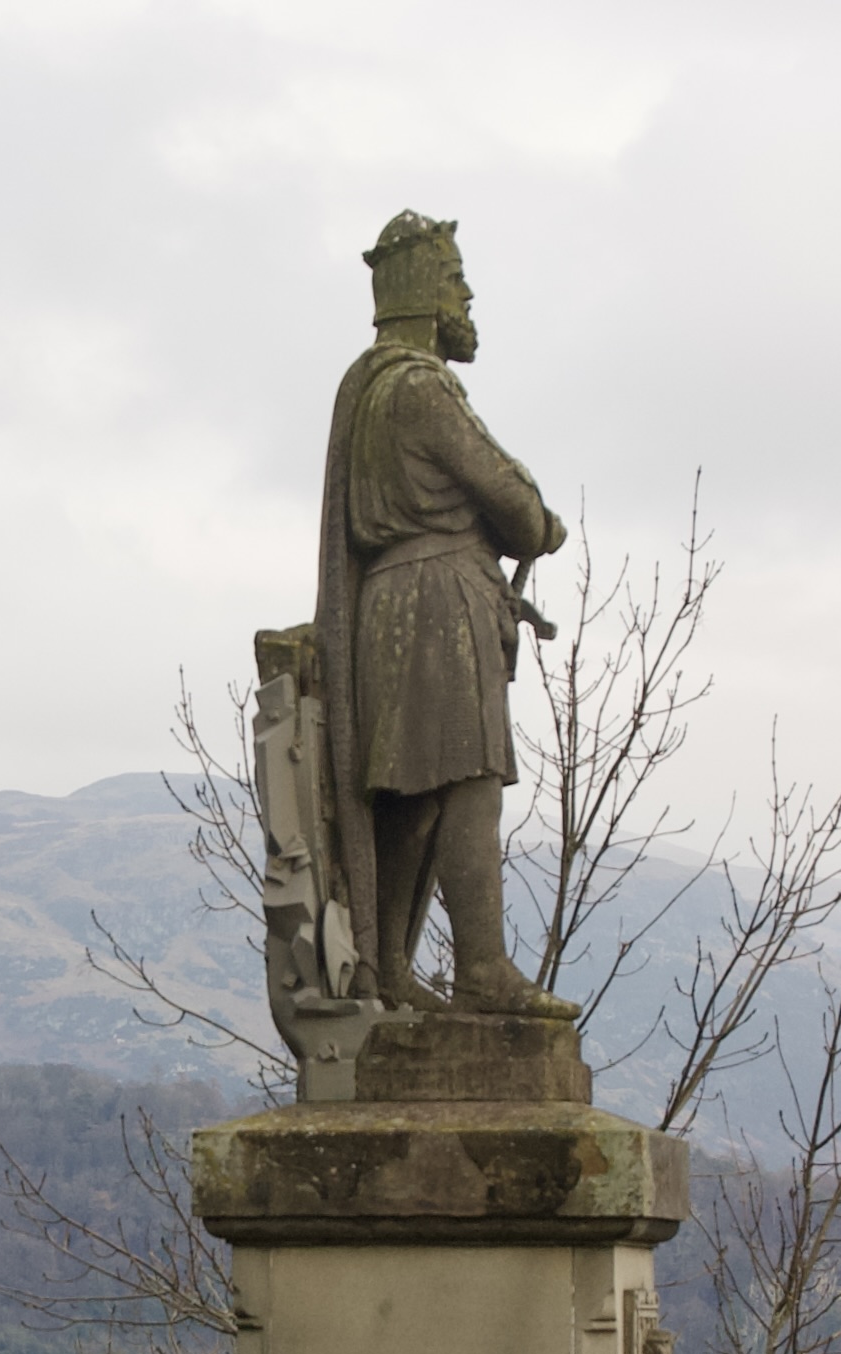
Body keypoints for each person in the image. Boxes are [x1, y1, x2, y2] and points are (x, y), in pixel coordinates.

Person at [317, 211, 577, 1018]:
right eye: (455, 277)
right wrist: (535, 519)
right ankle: (482, 968)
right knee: (467, 782)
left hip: (397, 607)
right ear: (426, 290)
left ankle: (390, 965)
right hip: (436, 606)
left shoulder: (368, 391)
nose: (467, 295)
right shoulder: (421, 387)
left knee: (417, 795)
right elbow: (516, 505)